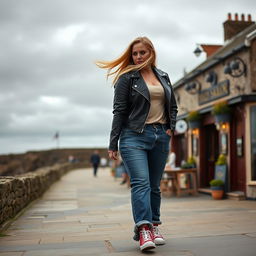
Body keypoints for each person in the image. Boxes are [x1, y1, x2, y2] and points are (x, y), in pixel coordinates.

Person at [96, 36, 178, 251]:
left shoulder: (163, 76)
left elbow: (173, 107)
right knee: (140, 183)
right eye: (135, 53)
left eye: (143, 52)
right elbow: (119, 111)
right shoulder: (127, 78)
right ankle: (143, 230)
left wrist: (171, 127)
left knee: (154, 185)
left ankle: (155, 225)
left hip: (160, 135)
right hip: (134, 136)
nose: (139, 56)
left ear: (151, 52)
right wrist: (113, 143)